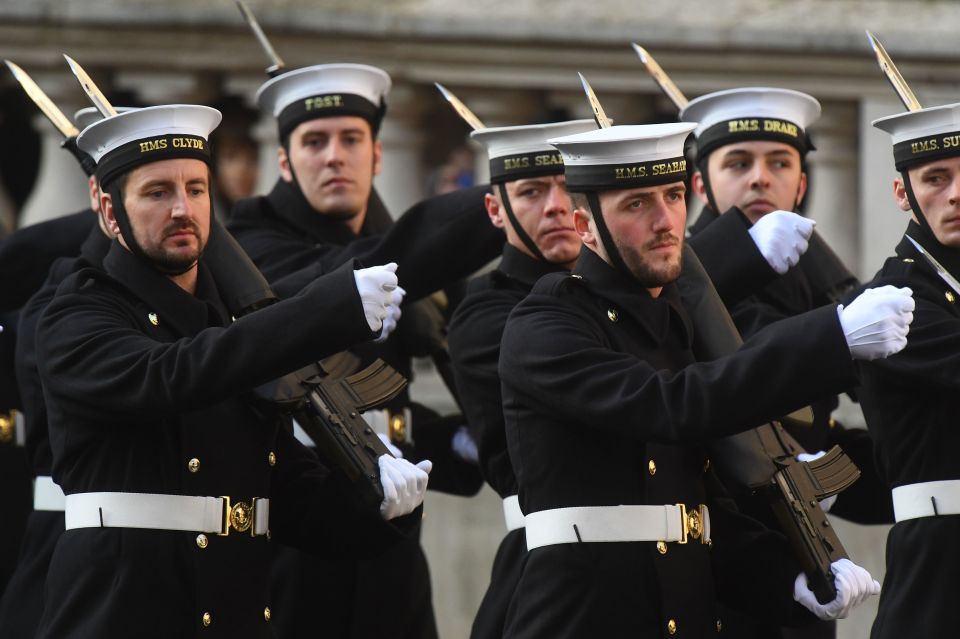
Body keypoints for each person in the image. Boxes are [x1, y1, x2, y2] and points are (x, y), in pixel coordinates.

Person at [33, 103, 429, 639]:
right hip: (124, 610)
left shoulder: (228, 331)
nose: (182, 208)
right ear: (108, 209)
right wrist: (322, 310)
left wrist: (383, 506)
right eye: (157, 192)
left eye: (196, 190)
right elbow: (170, 375)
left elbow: (287, 491)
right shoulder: (78, 313)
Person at [499, 122, 910, 638]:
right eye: (636, 205)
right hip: (582, 617)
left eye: (672, 196)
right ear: (584, 224)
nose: (665, 221)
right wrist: (831, 336)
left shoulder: (672, 327)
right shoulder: (546, 323)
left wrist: (787, 577)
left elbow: (696, 509)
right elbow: (671, 406)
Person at [229, 62, 504, 639]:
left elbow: (381, 409)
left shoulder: (384, 244)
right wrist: (509, 195)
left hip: (394, 534)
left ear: (378, 156)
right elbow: (338, 281)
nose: (334, 156)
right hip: (295, 537)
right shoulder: (251, 247)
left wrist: (455, 439)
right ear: (283, 161)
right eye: (314, 142)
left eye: (351, 139)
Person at [447, 118, 596, 639]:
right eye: (532, 191)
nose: (557, 206)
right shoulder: (486, 315)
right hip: (550, 575)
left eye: (571, 188)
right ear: (495, 209)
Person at [858, 101, 960, 638]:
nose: (956, 193)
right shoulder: (895, 301)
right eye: (936, 178)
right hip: (942, 566)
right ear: (903, 194)